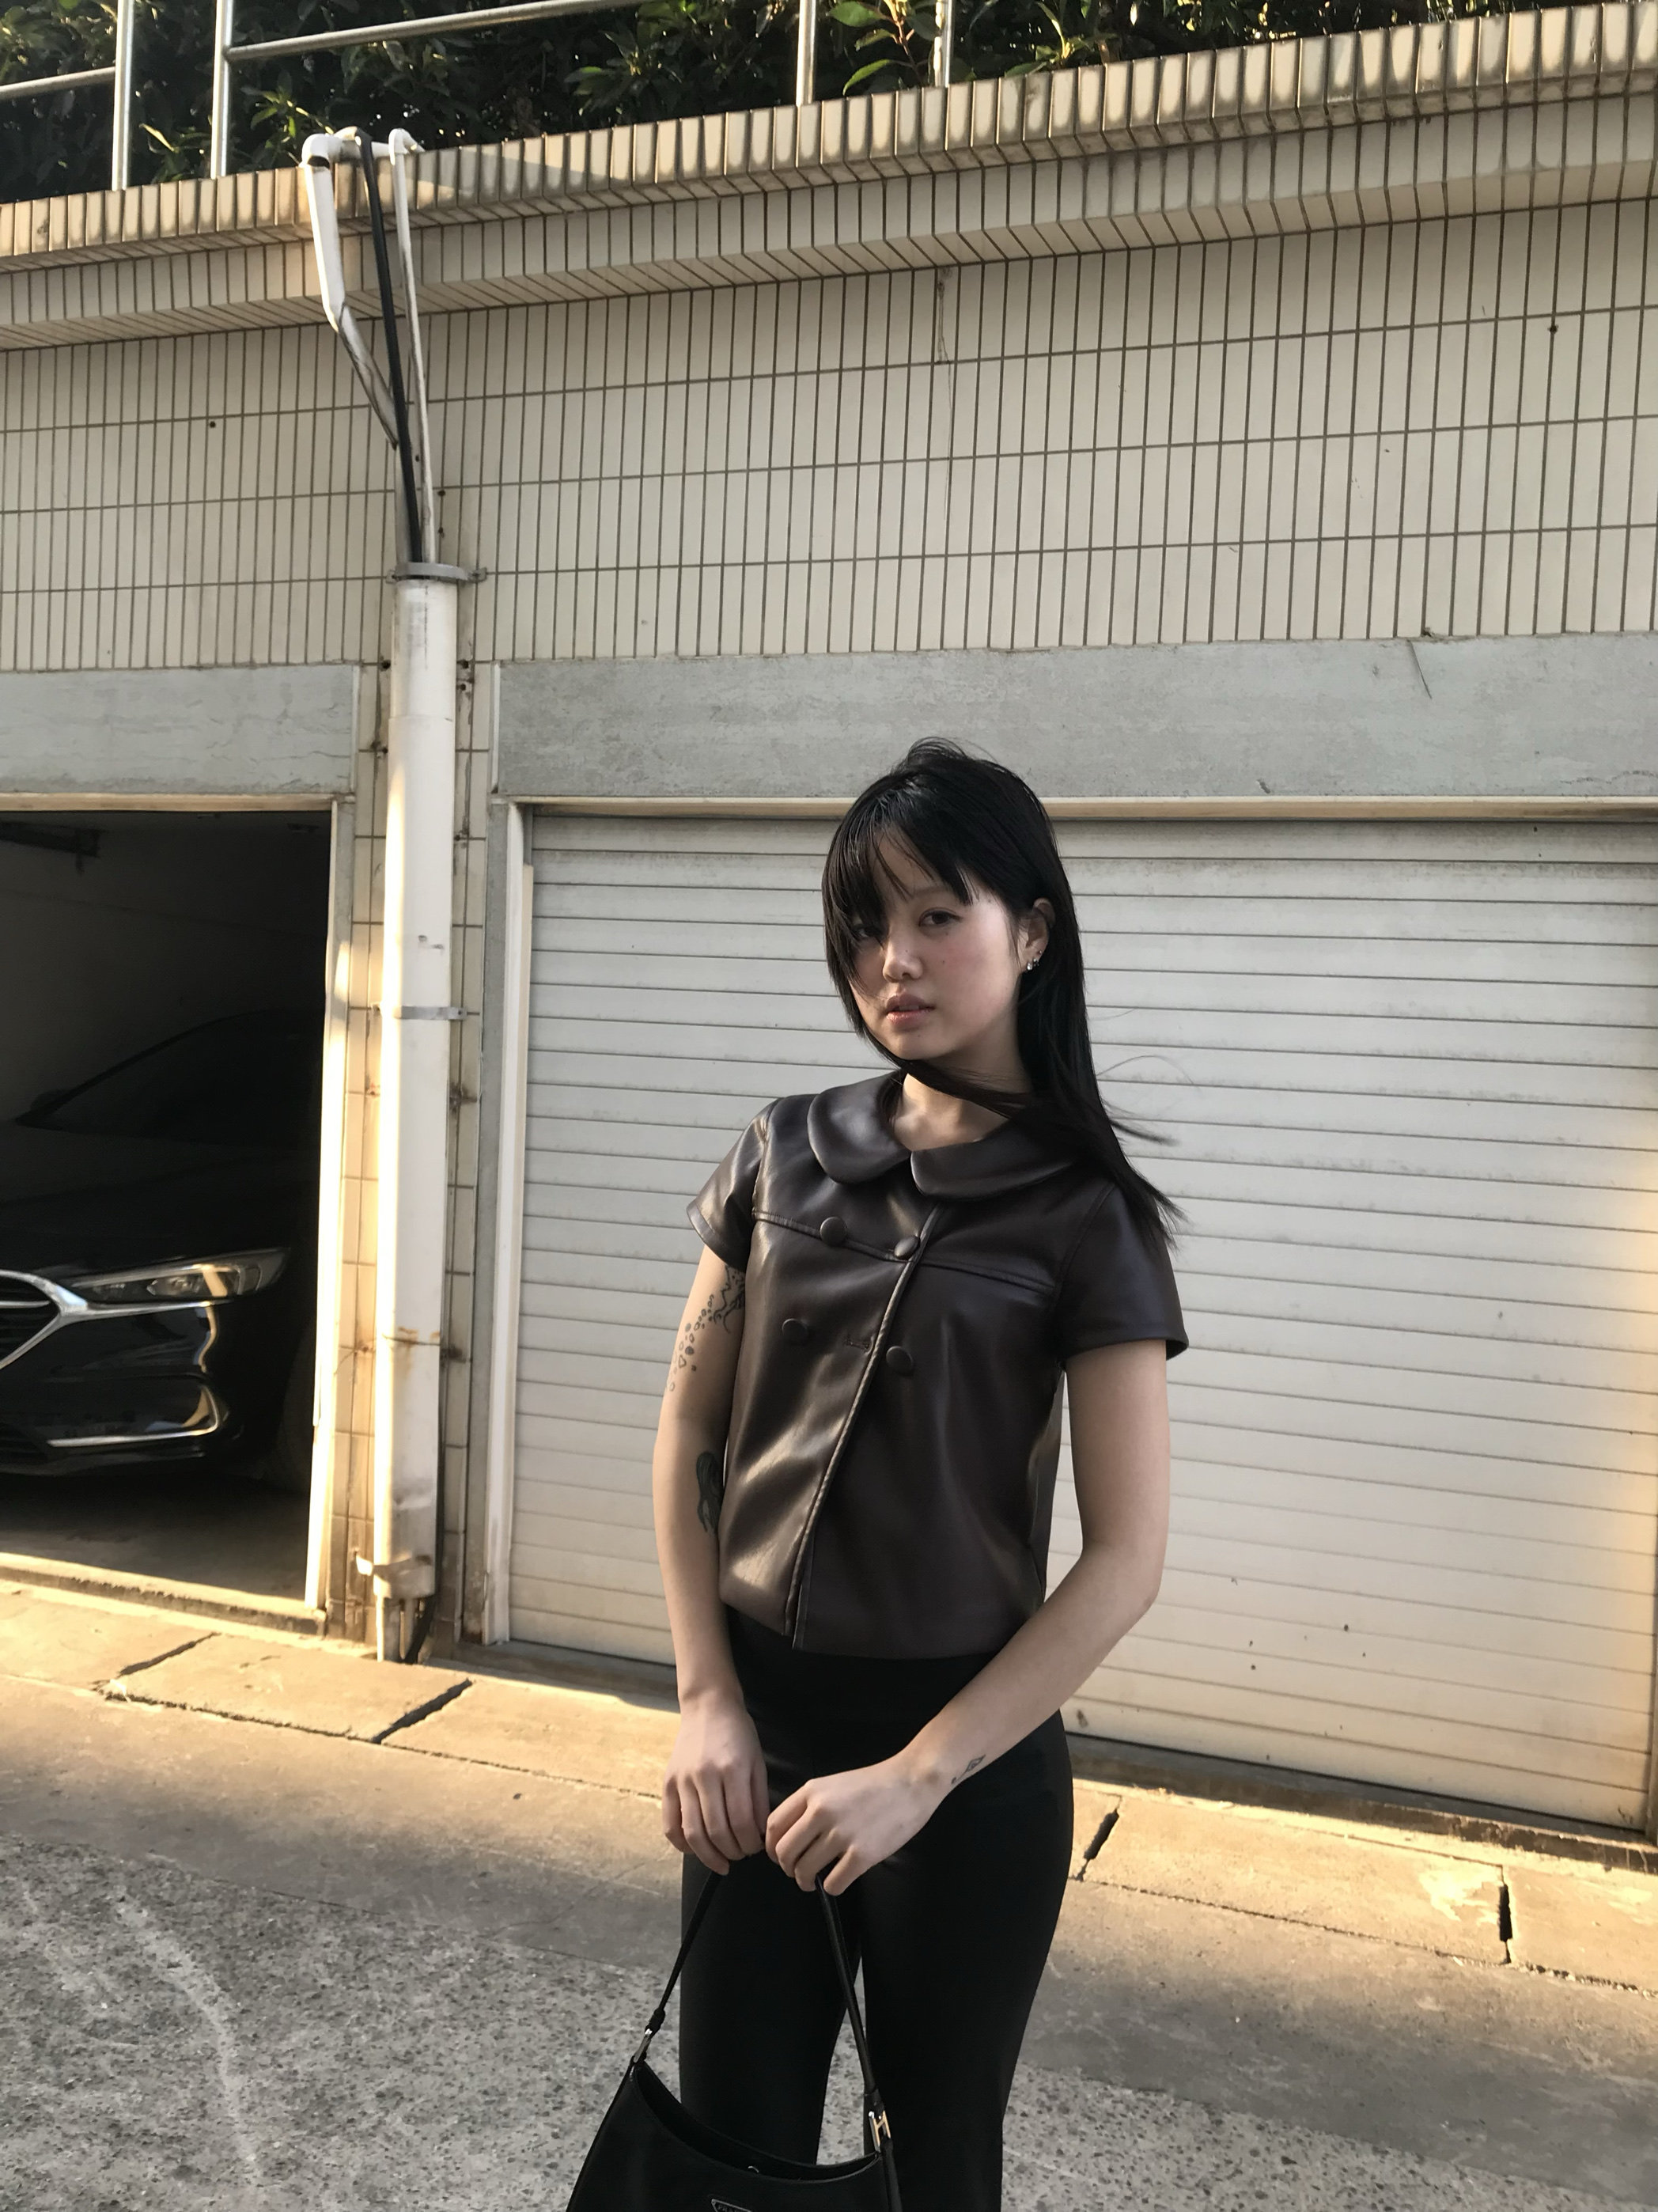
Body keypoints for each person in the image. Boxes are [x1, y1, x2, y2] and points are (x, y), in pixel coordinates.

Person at [649, 740, 1187, 2211]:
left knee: (937, 2165)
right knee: (734, 2148)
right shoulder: (782, 1154)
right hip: (755, 1742)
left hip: (963, 1764)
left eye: (938, 915)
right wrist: (707, 1700)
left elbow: (1126, 1560)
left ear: (1034, 929)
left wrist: (920, 1776)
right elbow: (690, 1440)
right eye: (865, 925)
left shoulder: (1091, 1219)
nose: (895, 960)